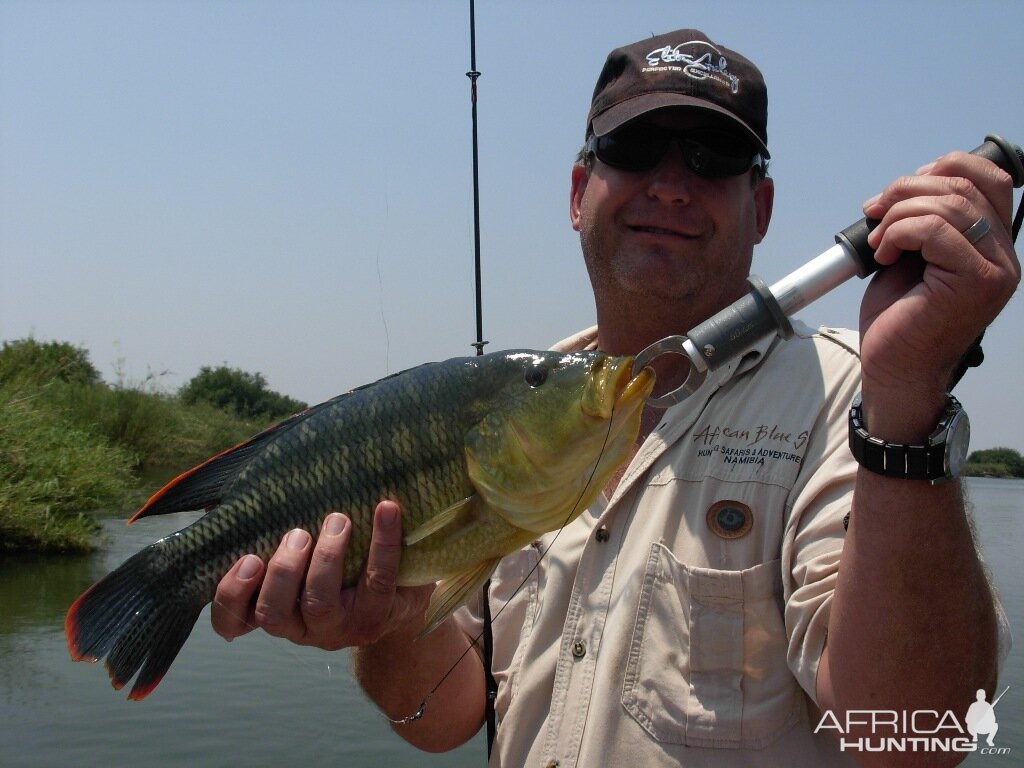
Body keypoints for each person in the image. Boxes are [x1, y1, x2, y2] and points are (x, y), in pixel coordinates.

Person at [210, 28, 1015, 767]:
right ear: (576, 192)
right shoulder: (514, 408)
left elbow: (918, 738)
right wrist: (384, 620)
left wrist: (908, 394)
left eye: (712, 159)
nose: (670, 184)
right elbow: (443, 718)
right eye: (635, 148)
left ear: (761, 210)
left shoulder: (859, 405)